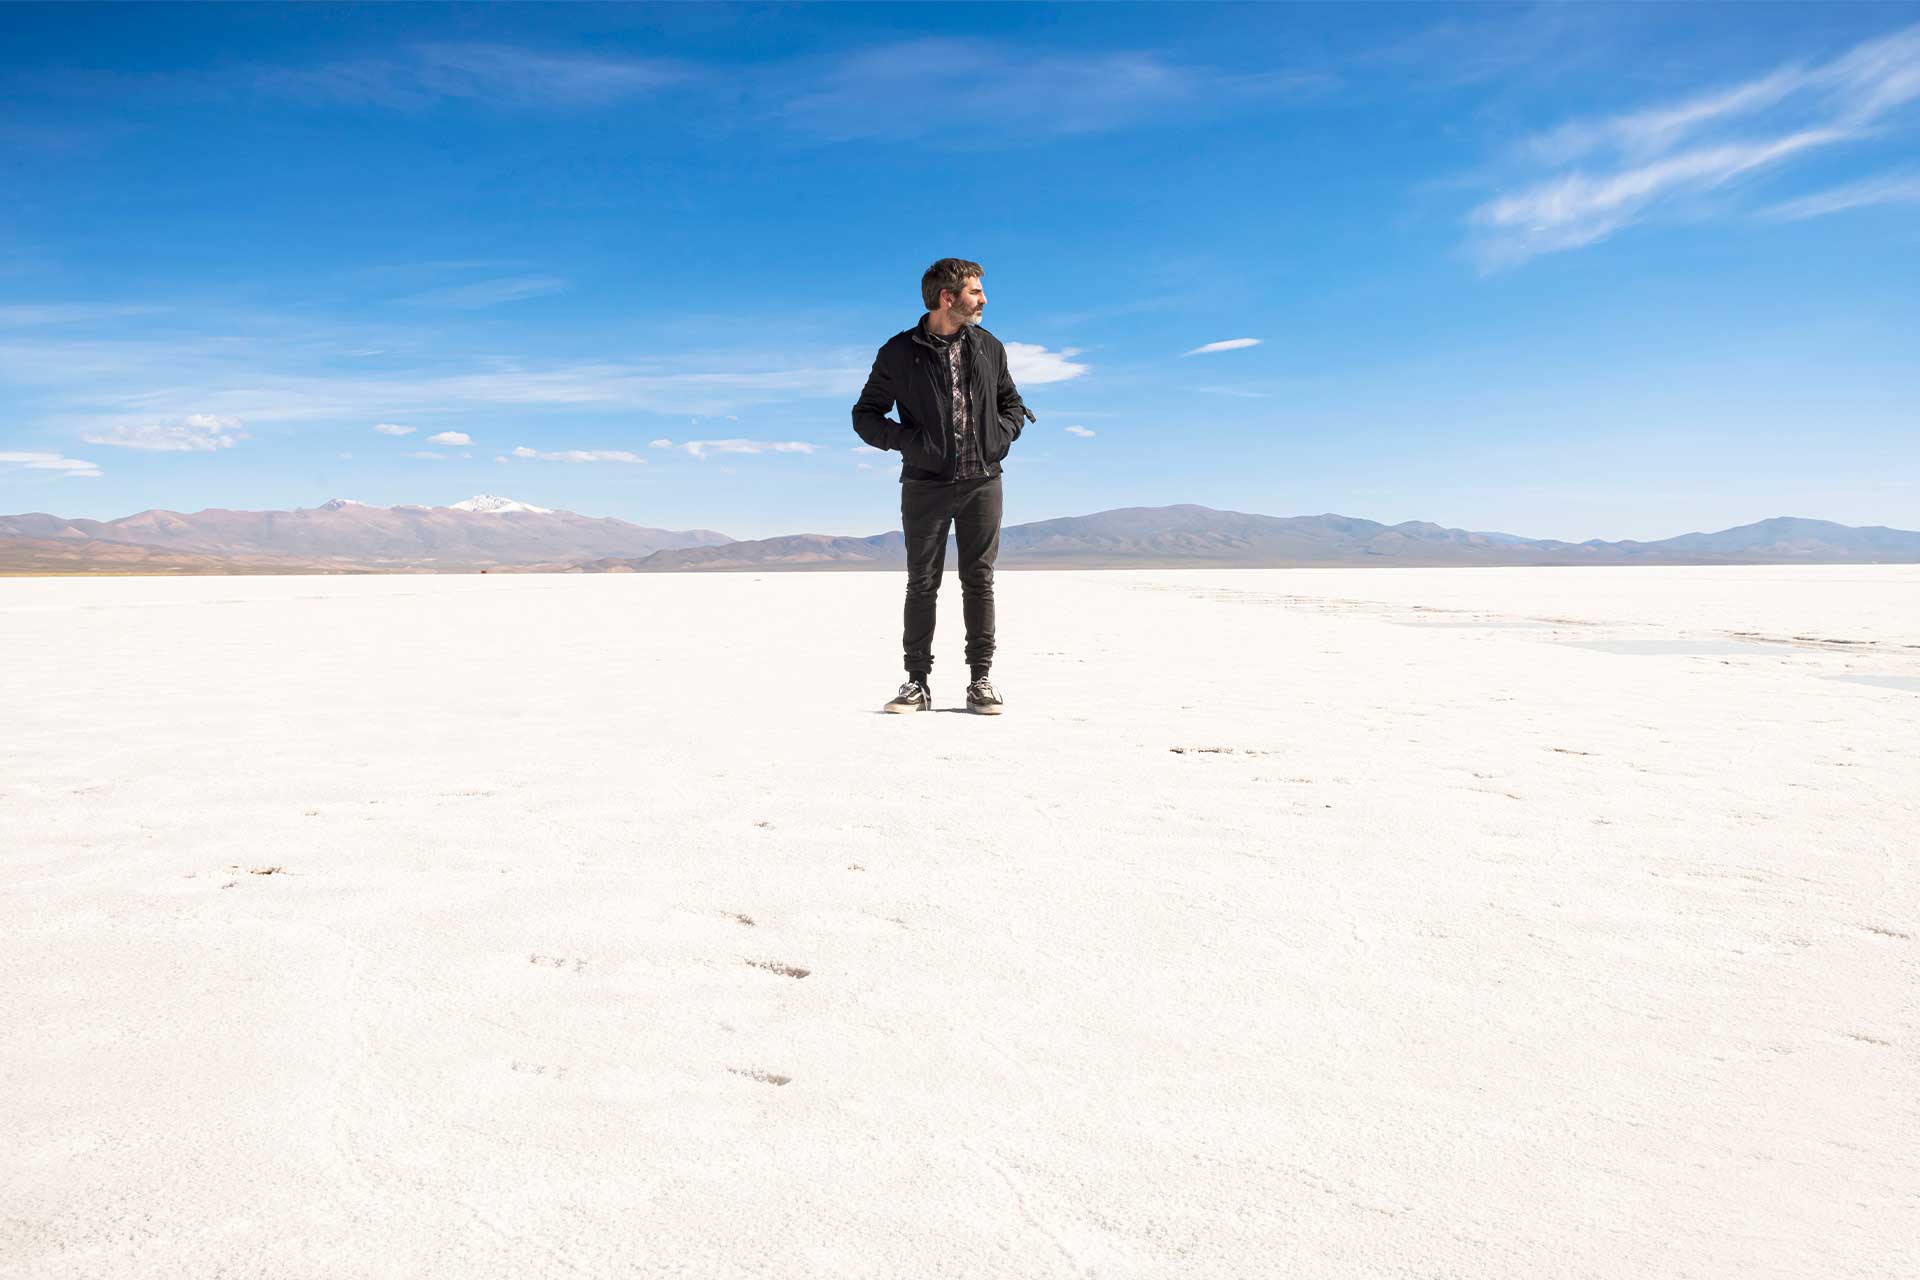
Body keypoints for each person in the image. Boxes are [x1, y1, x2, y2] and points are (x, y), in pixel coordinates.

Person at [852, 258, 1034, 715]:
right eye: (975, 291)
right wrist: (912, 443)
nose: (984, 299)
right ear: (946, 297)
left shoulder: (989, 347)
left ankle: (980, 681)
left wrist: (1001, 435)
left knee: (979, 581)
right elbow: (866, 416)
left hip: (982, 482)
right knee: (922, 583)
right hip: (925, 484)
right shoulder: (899, 352)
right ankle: (917, 683)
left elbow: (1012, 403)